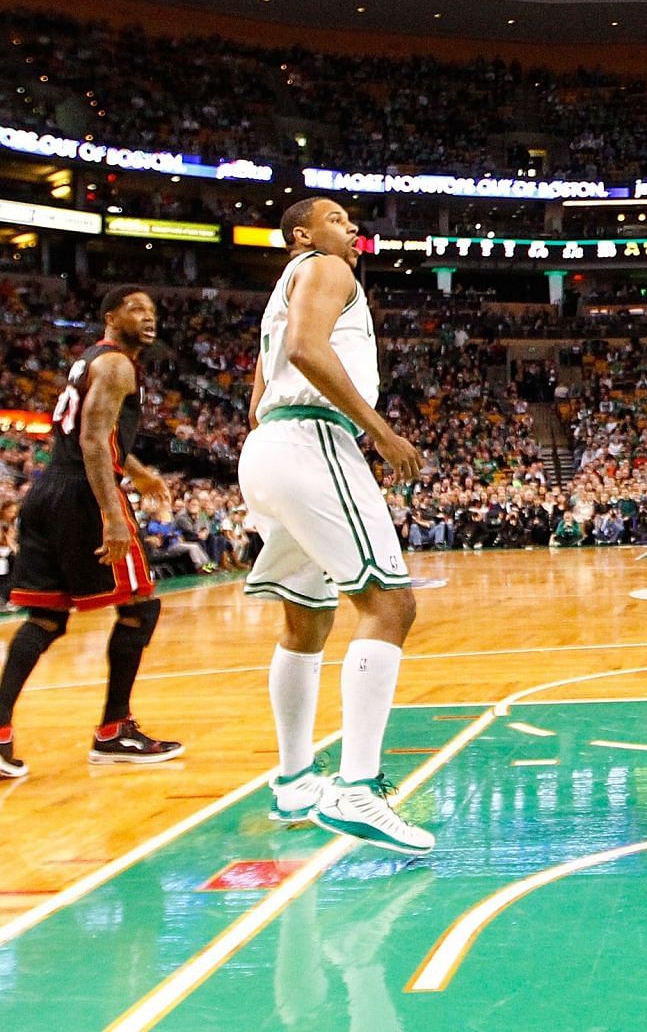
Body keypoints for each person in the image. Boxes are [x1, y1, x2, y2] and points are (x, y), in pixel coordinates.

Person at [240, 197, 433, 856]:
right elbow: (303, 350)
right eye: (338, 219)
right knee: (389, 603)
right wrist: (379, 432)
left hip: (268, 444)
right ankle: (356, 787)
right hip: (313, 439)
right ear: (303, 233)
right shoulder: (325, 268)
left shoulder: (283, 289)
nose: (352, 229)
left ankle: (295, 778)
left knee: (306, 618)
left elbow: (260, 384)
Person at [0, 287, 181, 779]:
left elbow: (91, 430)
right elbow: (93, 439)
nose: (148, 316)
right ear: (110, 317)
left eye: (152, 309)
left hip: (47, 490)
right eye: (136, 309)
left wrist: (138, 469)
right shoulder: (118, 364)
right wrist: (113, 513)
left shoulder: (90, 362)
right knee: (141, 606)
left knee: (44, 619)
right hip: (83, 492)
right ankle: (113, 731)